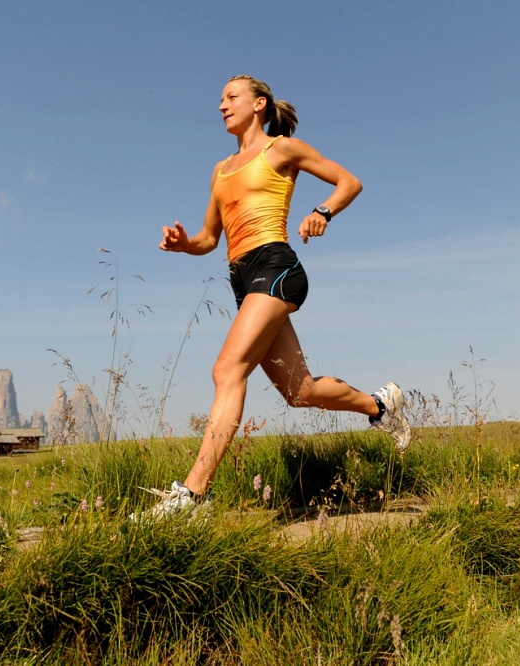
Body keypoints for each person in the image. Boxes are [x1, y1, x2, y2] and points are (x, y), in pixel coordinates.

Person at [147, 75, 410, 518]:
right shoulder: (220, 169)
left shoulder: (281, 149)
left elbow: (348, 182)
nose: (222, 106)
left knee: (227, 370)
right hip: (242, 278)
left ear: (259, 104)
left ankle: (191, 498)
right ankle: (381, 405)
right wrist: (182, 244)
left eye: (231, 97)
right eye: (220, 99)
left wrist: (321, 211)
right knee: (300, 390)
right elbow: (210, 238)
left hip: (276, 267)